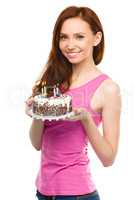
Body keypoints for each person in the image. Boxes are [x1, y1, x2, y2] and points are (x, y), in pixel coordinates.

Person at [25, 6, 122, 200]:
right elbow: (37, 144)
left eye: (79, 36)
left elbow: (108, 159)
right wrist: (36, 113)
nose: (70, 45)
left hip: (77, 194)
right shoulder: (54, 81)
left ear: (96, 38)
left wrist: (86, 119)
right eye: (63, 37)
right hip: (43, 192)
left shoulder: (108, 88)